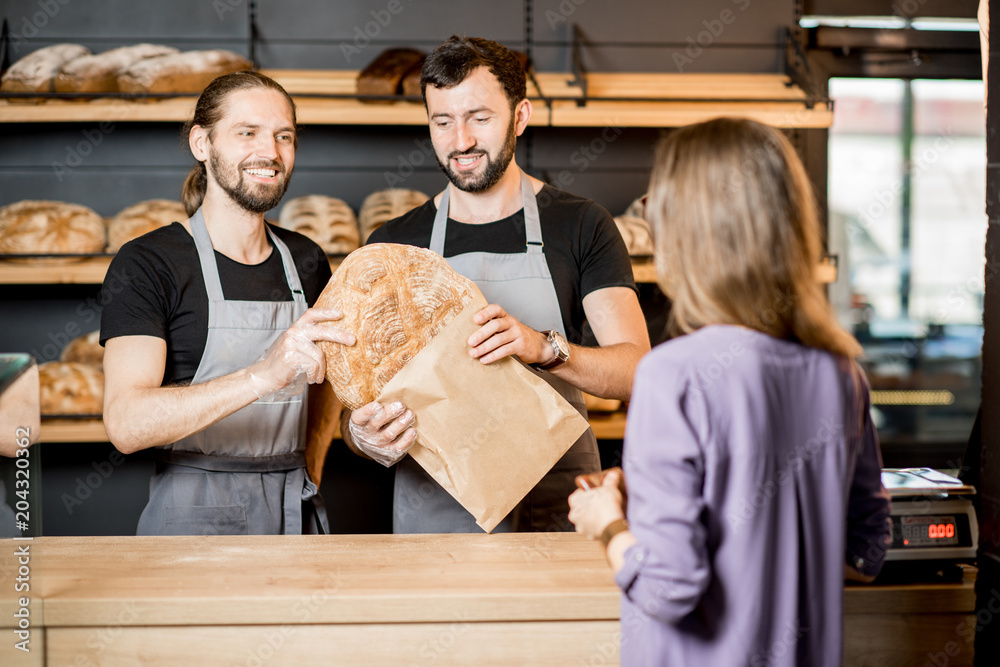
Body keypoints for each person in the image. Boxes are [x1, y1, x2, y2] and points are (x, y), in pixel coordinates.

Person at [567, 118, 892, 666]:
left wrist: (609, 522)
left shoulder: (673, 375)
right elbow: (867, 550)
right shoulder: (841, 372)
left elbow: (669, 589)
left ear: (688, 233)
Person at [341, 36, 651, 533]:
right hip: (438, 513)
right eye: (442, 121)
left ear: (520, 116)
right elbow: (353, 412)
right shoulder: (395, 246)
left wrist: (544, 348)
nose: (460, 140)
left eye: (479, 118)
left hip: (559, 505)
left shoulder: (579, 224)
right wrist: (364, 437)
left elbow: (638, 370)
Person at [100, 71, 354, 536]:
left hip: (294, 511)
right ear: (202, 142)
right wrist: (261, 375)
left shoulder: (307, 260)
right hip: (192, 516)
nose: (271, 152)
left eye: (284, 136)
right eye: (247, 133)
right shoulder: (148, 263)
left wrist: (310, 469)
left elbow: (326, 392)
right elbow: (126, 422)